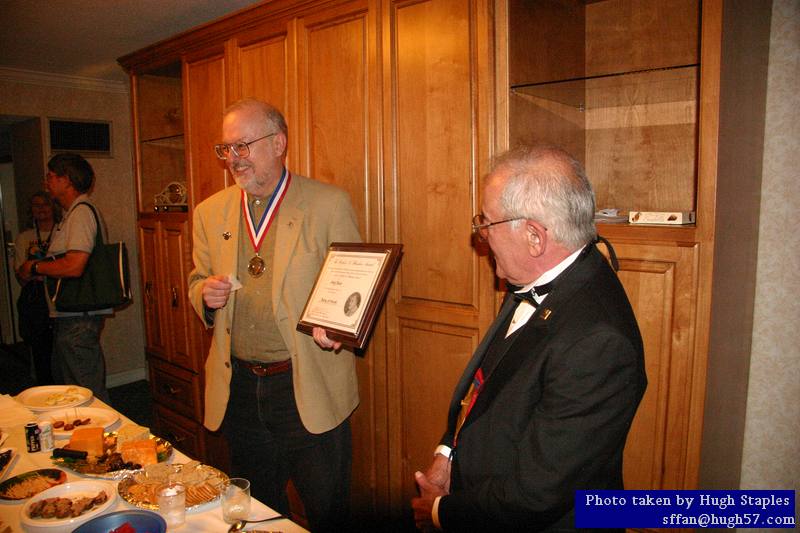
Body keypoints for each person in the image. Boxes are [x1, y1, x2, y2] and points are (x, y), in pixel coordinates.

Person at [411, 145, 647, 532]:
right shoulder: (537, 275)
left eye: (487, 224)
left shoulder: (598, 343)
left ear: (535, 237)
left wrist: (439, 512)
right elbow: (487, 387)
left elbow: (537, 494)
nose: (481, 237)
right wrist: (448, 454)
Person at [188, 98, 362, 531]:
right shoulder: (209, 212)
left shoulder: (328, 204)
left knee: (328, 511)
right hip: (241, 388)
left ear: (279, 143)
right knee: (257, 512)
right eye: (226, 149)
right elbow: (196, 278)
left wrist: (340, 329)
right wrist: (203, 295)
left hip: (306, 385)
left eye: (243, 146)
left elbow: (354, 287)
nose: (233, 159)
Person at [18, 154, 112, 404]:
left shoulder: (81, 213)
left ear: (66, 180)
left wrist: (35, 266)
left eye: (51, 176)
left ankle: (106, 438)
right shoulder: (72, 214)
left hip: (79, 317)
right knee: (73, 386)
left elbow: (74, 265)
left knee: (86, 391)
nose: (47, 181)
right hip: (70, 315)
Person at [14, 191, 61, 385]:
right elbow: (22, 275)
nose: (41, 209)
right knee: (40, 350)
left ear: (53, 208)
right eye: (36, 205)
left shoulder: (62, 232)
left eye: (45, 204)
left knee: (60, 349)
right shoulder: (24, 237)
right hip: (34, 299)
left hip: (58, 297)